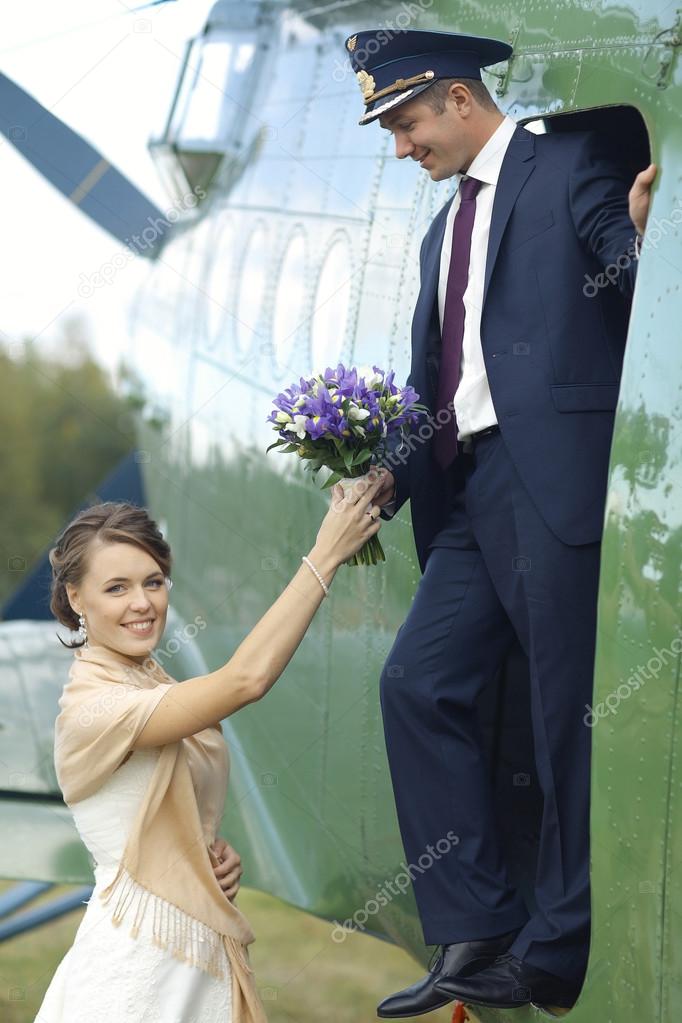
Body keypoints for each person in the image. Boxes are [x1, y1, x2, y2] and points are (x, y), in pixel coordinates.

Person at [342, 27, 656, 1016]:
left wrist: (643, 239)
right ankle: (474, 931)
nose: (400, 147)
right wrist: (383, 479)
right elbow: (438, 378)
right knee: (416, 682)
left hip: (551, 474)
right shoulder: (444, 231)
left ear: (456, 100)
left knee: (566, 713)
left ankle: (554, 949)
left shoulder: (570, 162)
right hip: (470, 486)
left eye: (403, 123)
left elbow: (627, 271)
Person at [35, 483, 384, 1023]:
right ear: (76, 598)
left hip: (195, 960)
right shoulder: (95, 706)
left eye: (154, 582)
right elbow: (246, 679)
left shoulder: (147, 680)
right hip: (138, 972)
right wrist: (326, 555)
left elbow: (164, 809)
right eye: (117, 587)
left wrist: (202, 854)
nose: (142, 603)